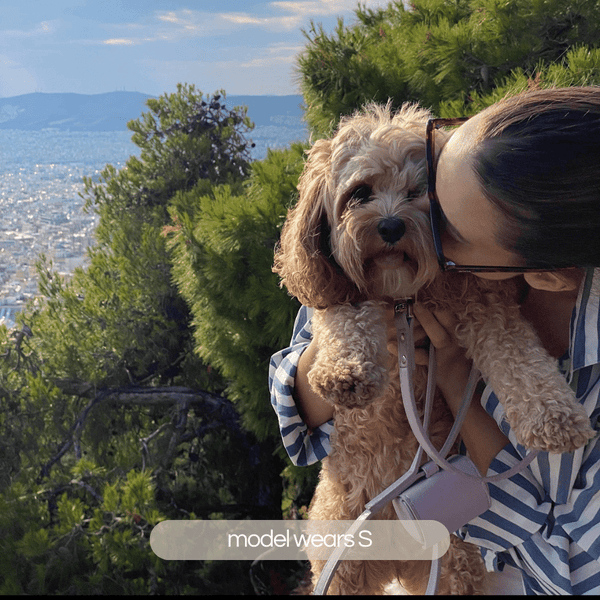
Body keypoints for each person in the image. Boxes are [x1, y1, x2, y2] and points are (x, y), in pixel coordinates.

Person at [269, 86, 600, 594]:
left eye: (451, 230)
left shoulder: (485, 294)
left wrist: (452, 375)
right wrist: (352, 343)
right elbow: (296, 413)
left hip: (469, 544)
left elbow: (574, 571)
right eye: (362, 194)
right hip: (353, 507)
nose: (398, 219)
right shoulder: (347, 283)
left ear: (546, 272)